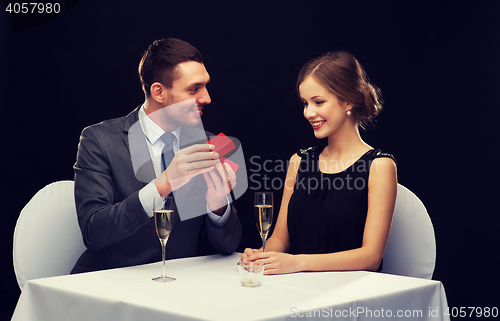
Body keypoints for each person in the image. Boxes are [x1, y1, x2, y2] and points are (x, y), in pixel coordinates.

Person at [71, 38, 242, 274]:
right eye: (194, 89)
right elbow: (95, 233)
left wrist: (218, 206)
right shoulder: (98, 139)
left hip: (178, 286)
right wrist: (163, 184)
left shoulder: (206, 143)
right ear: (159, 92)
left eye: (205, 86)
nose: (206, 98)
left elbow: (228, 246)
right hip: (110, 284)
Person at [242, 51, 397, 275]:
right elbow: (279, 241)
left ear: (349, 100)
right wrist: (260, 254)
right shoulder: (299, 161)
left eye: (318, 102)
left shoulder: (379, 166)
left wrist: (298, 263)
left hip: (351, 295)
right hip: (296, 287)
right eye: (305, 103)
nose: (308, 112)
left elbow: (370, 257)